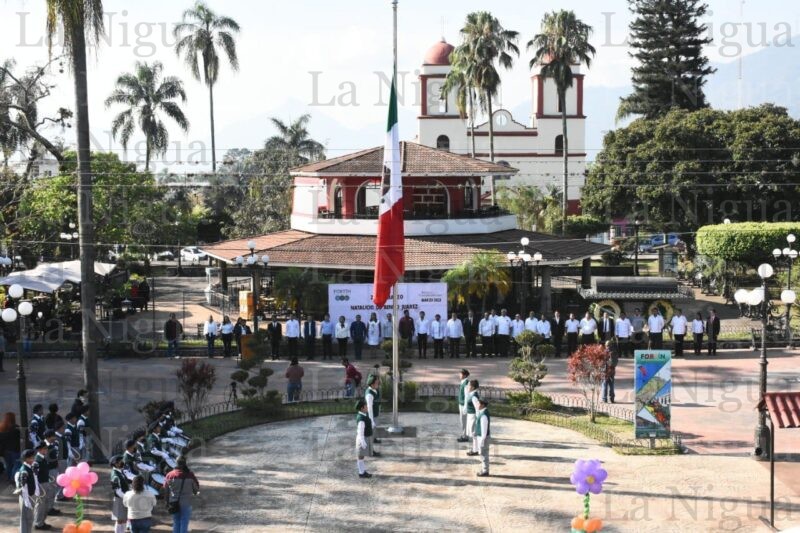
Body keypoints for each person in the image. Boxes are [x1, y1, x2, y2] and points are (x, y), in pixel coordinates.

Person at [164, 456, 200, 533]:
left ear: (176, 463)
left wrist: (167, 502)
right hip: (186, 503)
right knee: (184, 522)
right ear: (185, 463)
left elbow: (166, 491)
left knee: (176, 522)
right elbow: (196, 489)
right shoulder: (190, 475)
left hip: (173, 502)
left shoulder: (169, 475)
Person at [15, 448, 42, 533]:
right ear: (26, 459)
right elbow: (22, 486)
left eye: (33, 457)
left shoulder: (30, 467)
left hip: (31, 495)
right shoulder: (24, 470)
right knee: (25, 518)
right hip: (26, 497)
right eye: (30, 458)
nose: (32, 459)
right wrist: (27, 501)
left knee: (29, 518)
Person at [33, 441, 53, 530]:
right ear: (41, 450)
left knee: (45, 504)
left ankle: (41, 522)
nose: (47, 450)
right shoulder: (37, 460)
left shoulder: (42, 458)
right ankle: (38, 523)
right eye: (45, 448)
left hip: (45, 482)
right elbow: (35, 475)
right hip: (41, 484)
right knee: (40, 505)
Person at [110, 454, 130, 533]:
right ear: (116, 463)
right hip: (120, 499)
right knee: (120, 520)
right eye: (121, 461)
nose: (123, 462)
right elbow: (117, 491)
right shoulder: (115, 475)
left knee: (124, 519)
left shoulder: (120, 472)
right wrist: (127, 497)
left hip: (123, 498)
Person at [0, 412, 21, 482]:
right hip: (14, 450)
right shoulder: (16, 428)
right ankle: (12, 479)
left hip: (6, 451)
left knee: (9, 465)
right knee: (16, 464)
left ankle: (9, 478)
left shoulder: (3, 428)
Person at [355, 399, 373, 479]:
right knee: (361, 456)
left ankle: (362, 471)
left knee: (361, 456)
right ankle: (361, 473)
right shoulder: (361, 419)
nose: (367, 407)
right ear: (362, 408)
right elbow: (360, 431)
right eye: (365, 406)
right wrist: (362, 442)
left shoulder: (364, 415)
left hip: (364, 438)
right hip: (362, 439)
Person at [474, 398, 491, 477]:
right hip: (481, 437)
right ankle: (484, 469)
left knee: (484, 455)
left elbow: (484, 431)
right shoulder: (482, 412)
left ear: (483, 405)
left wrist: (481, 441)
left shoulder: (483, 415)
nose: (477, 405)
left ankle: (485, 471)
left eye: (478, 403)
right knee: (483, 454)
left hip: (483, 438)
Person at [364, 374, 381, 454]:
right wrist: (371, 421)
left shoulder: (375, 390)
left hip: (375, 414)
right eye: (377, 383)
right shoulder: (369, 394)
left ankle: (374, 439)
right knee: (370, 433)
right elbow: (369, 408)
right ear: (372, 384)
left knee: (374, 429)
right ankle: (371, 451)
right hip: (371, 416)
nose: (378, 383)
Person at [464, 380, 481, 456]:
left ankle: (476, 450)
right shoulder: (471, 394)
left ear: (473, 387)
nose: (467, 387)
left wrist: (477, 419)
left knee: (474, 434)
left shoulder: (474, 396)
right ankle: (475, 449)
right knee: (473, 434)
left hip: (473, 416)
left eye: (469, 385)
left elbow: (477, 409)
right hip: (470, 416)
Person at [456, 369, 470, 443]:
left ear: (464, 375)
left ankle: (465, 436)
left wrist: (465, 406)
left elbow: (467, 396)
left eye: (460, 374)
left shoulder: (466, 383)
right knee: (463, 420)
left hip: (463, 405)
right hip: (461, 404)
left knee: (464, 421)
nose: (459, 375)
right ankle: (464, 434)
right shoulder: (463, 382)